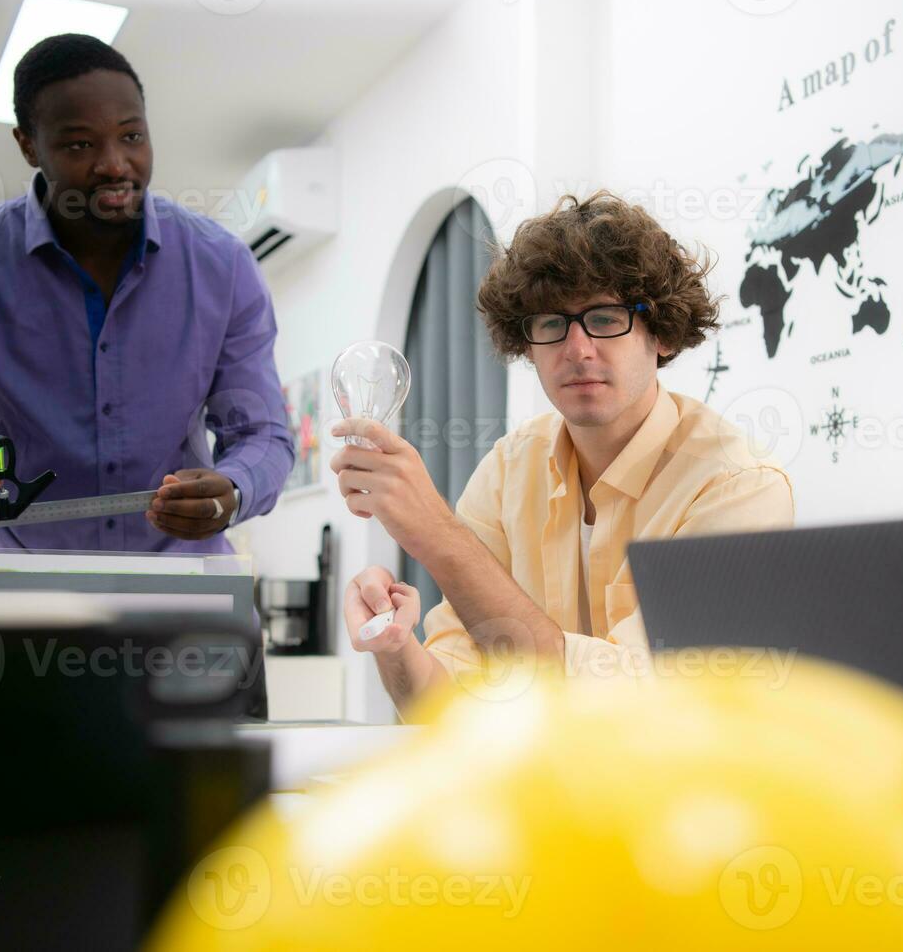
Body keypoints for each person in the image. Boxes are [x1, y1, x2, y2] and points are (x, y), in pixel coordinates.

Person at [329, 191, 796, 714]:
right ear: (525, 342)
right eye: (551, 323)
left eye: (604, 317)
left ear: (661, 332)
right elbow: (448, 709)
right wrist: (393, 645)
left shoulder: (737, 486)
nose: (577, 349)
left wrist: (436, 535)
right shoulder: (508, 471)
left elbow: (637, 706)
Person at [0, 34, 293, 553]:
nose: (115, 164)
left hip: (187, 586)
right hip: (28, 592)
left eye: (132, 136)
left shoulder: (223, 266)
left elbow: (263, 437)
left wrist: (234, 488)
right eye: (79, 144)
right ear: (28, 144)